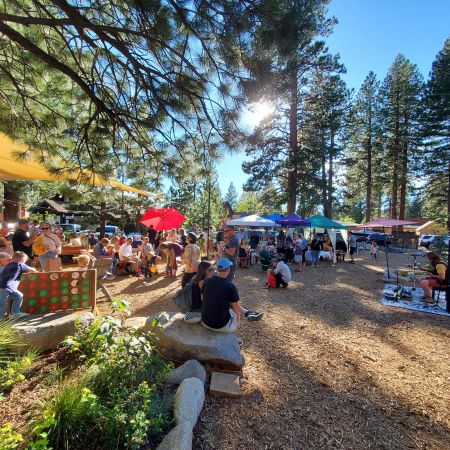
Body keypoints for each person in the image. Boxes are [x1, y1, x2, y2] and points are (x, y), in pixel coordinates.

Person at [201, 258, 263, 333]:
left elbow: (203, 298)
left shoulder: (207, 281)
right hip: (221, 326)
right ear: (228, 270)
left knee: (227, 300)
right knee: (232, 305)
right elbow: (236, 309)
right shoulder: (230, 286)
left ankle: (247, 312)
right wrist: (236, 326)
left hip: (205, 322)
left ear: (217, 269)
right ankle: (247, 313)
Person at [0, 251, 37, 318]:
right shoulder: (19, 264)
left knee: (18, 296)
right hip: (4, 287)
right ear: (22, 260)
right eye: (25, 261)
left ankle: (15, 313)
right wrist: (34, 269)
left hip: (9, 287)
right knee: (2, 304)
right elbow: (32, 270)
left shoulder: (9, 265)